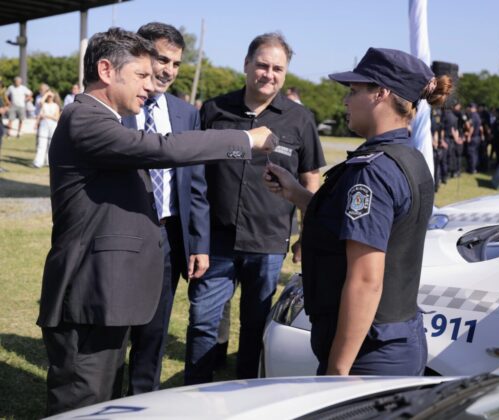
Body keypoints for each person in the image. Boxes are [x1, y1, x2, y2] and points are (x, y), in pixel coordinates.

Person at [36, 27, 277, 416]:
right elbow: (162, 147)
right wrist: (245, 140)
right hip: (88, 294)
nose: (150, 86)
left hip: (107, 293)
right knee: (82, 403)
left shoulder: (107, 120)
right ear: (106, 70)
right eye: (141, 75)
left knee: (104, 401)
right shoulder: (85, 118)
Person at [264, 47, 452, 376]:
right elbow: (357, 224)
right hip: (393, 341)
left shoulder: (373, 172)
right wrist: (297, 193)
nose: (345, 101)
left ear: (381, 93)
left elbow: (366, 280)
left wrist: (337, 371)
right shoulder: (406, 156)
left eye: (353, 91)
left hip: (369, 354)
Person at [185, 32, 325, 384]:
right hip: (215, 240)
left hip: (268, 242)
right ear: (247, 64)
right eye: (262, 65)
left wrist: (307, 234)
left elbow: (310, 178)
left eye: (278, 69)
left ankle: (244, 390)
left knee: (255, 325)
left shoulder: (300, 119)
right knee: (203, 321)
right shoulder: (214, 110)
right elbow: (195, 175)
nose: (269, 74)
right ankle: (195, 389)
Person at [121, 22, 210, 396]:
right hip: (123, 233)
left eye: (176, 63)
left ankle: (143, 402)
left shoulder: (186, 113)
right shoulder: (117, 104)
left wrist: (199, 242)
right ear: (141, 56)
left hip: (169, 236)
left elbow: (196, 183)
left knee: (154, 330)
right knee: (116, 327)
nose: (168, 71)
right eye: (162, 60)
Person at [32, 91, 60, 168]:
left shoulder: (56, 106)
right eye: (48, 96)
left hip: (52, 125)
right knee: (41, 143)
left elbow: (56, 118)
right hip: (44, 125)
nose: (49, 98)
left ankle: (49, 161)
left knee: (51, 144)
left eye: (50, 96)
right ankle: (38, 162)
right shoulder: (44, 104)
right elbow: (41, 102)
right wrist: (47, 94)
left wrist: (46, 115)